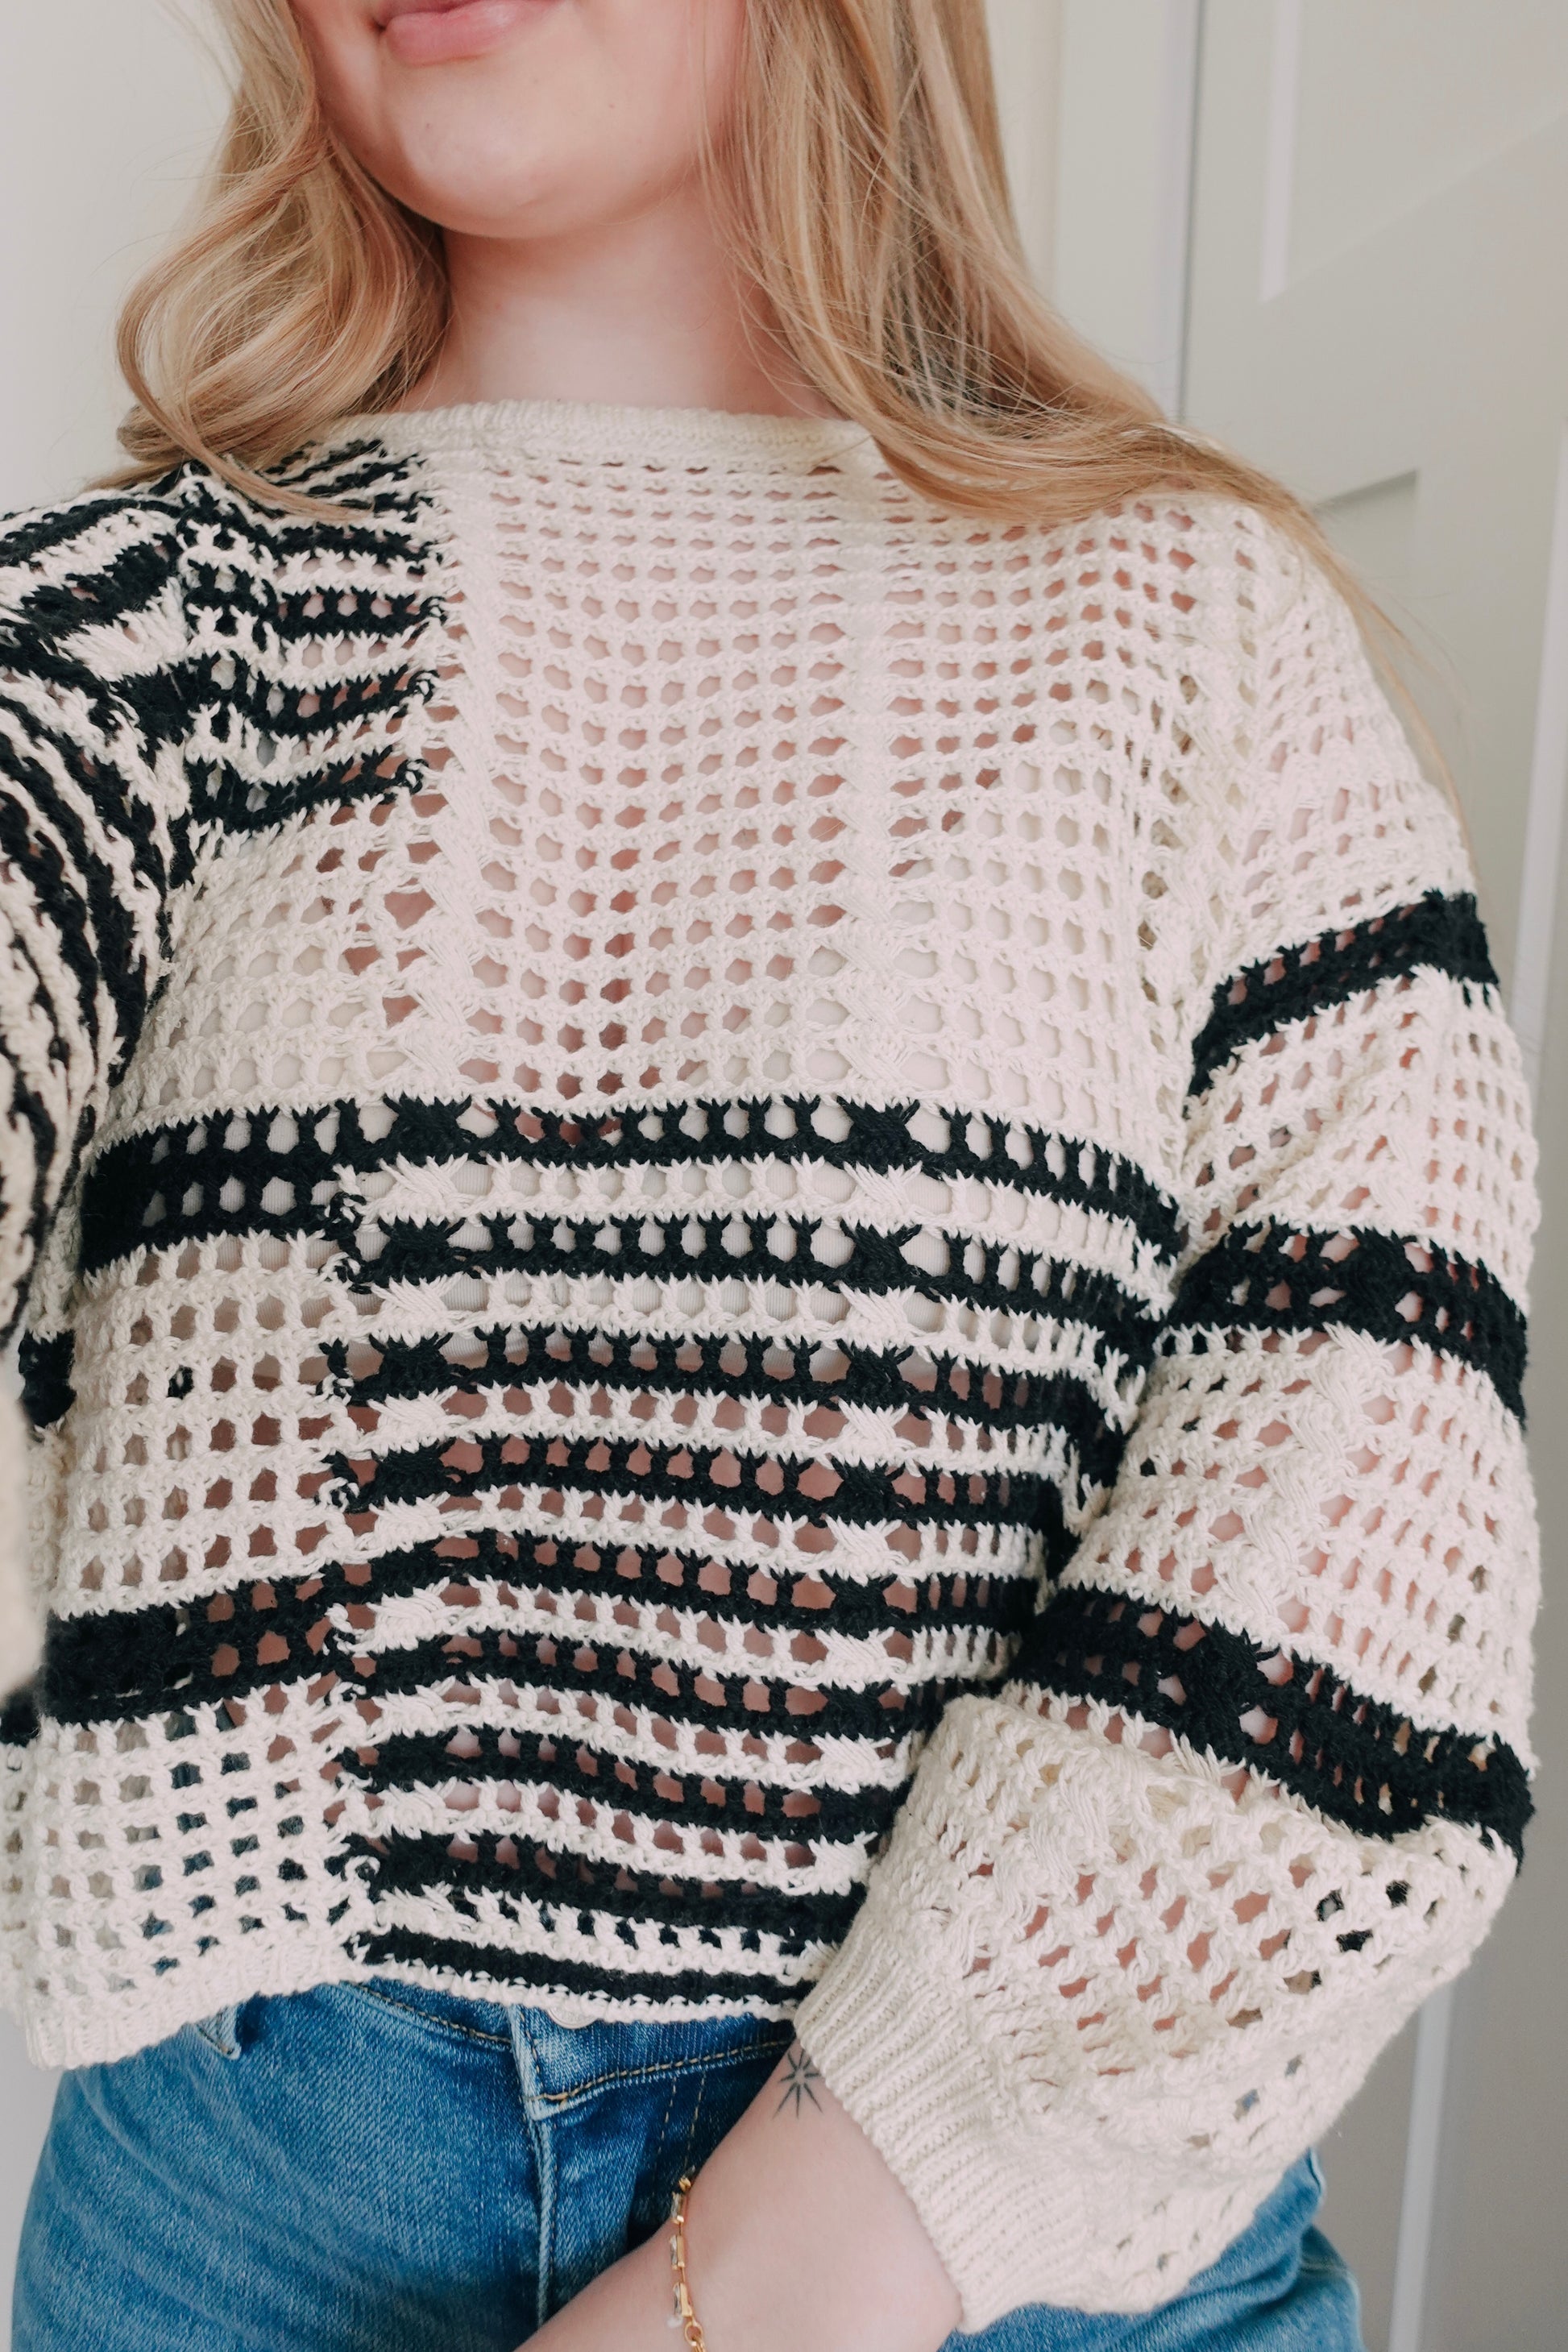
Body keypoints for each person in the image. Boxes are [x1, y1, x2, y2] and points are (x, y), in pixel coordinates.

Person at [0, 3, 1540, 2346]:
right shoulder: (141, 632)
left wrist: (832, 2241)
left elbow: (1365, 1482)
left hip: (1024, 2256)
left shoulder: (1200, 627)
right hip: (250, 2217)